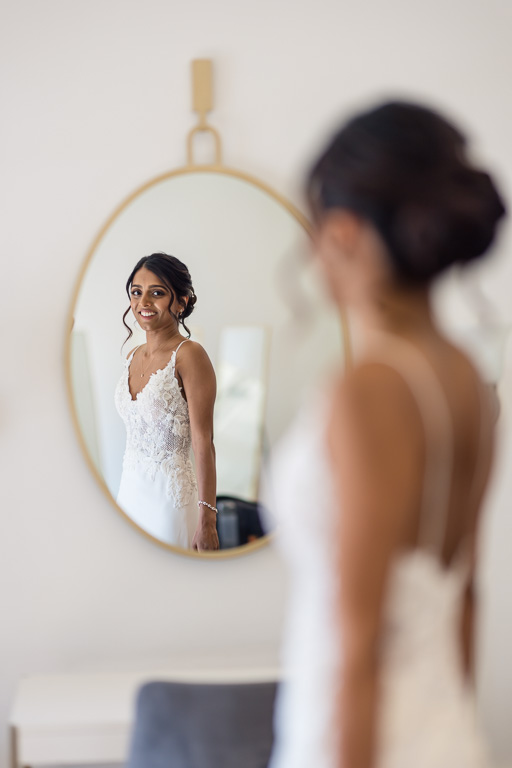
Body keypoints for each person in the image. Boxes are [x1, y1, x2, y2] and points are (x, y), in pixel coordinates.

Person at [268, 102, 506, 768]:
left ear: (341, 231)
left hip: (356, 743)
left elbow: (359, 644)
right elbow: (465, 598)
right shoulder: (469, 381)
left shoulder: (366, 390)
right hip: (444, 734)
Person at [114, 252, 219, 551]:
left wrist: (208, 520)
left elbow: (204, 441)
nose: (143, 302)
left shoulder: (189, 355)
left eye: (157, 293)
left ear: (181, 302)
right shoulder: (132, 357)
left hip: (169, 505)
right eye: (137, 292)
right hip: (129, 496)